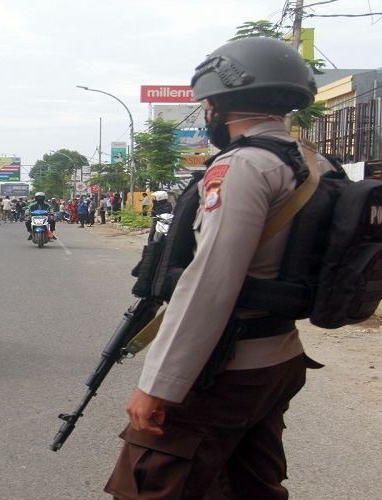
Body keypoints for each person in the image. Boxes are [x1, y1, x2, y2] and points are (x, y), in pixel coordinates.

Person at [105, 37, 335, 499]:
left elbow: (211, 280)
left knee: (150, 486)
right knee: (248, 486)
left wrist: (160, 385)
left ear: (217, 105)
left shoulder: (244, 166)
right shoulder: (316, 163)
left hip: (226, 367)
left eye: (207, 104)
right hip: (279, 356)